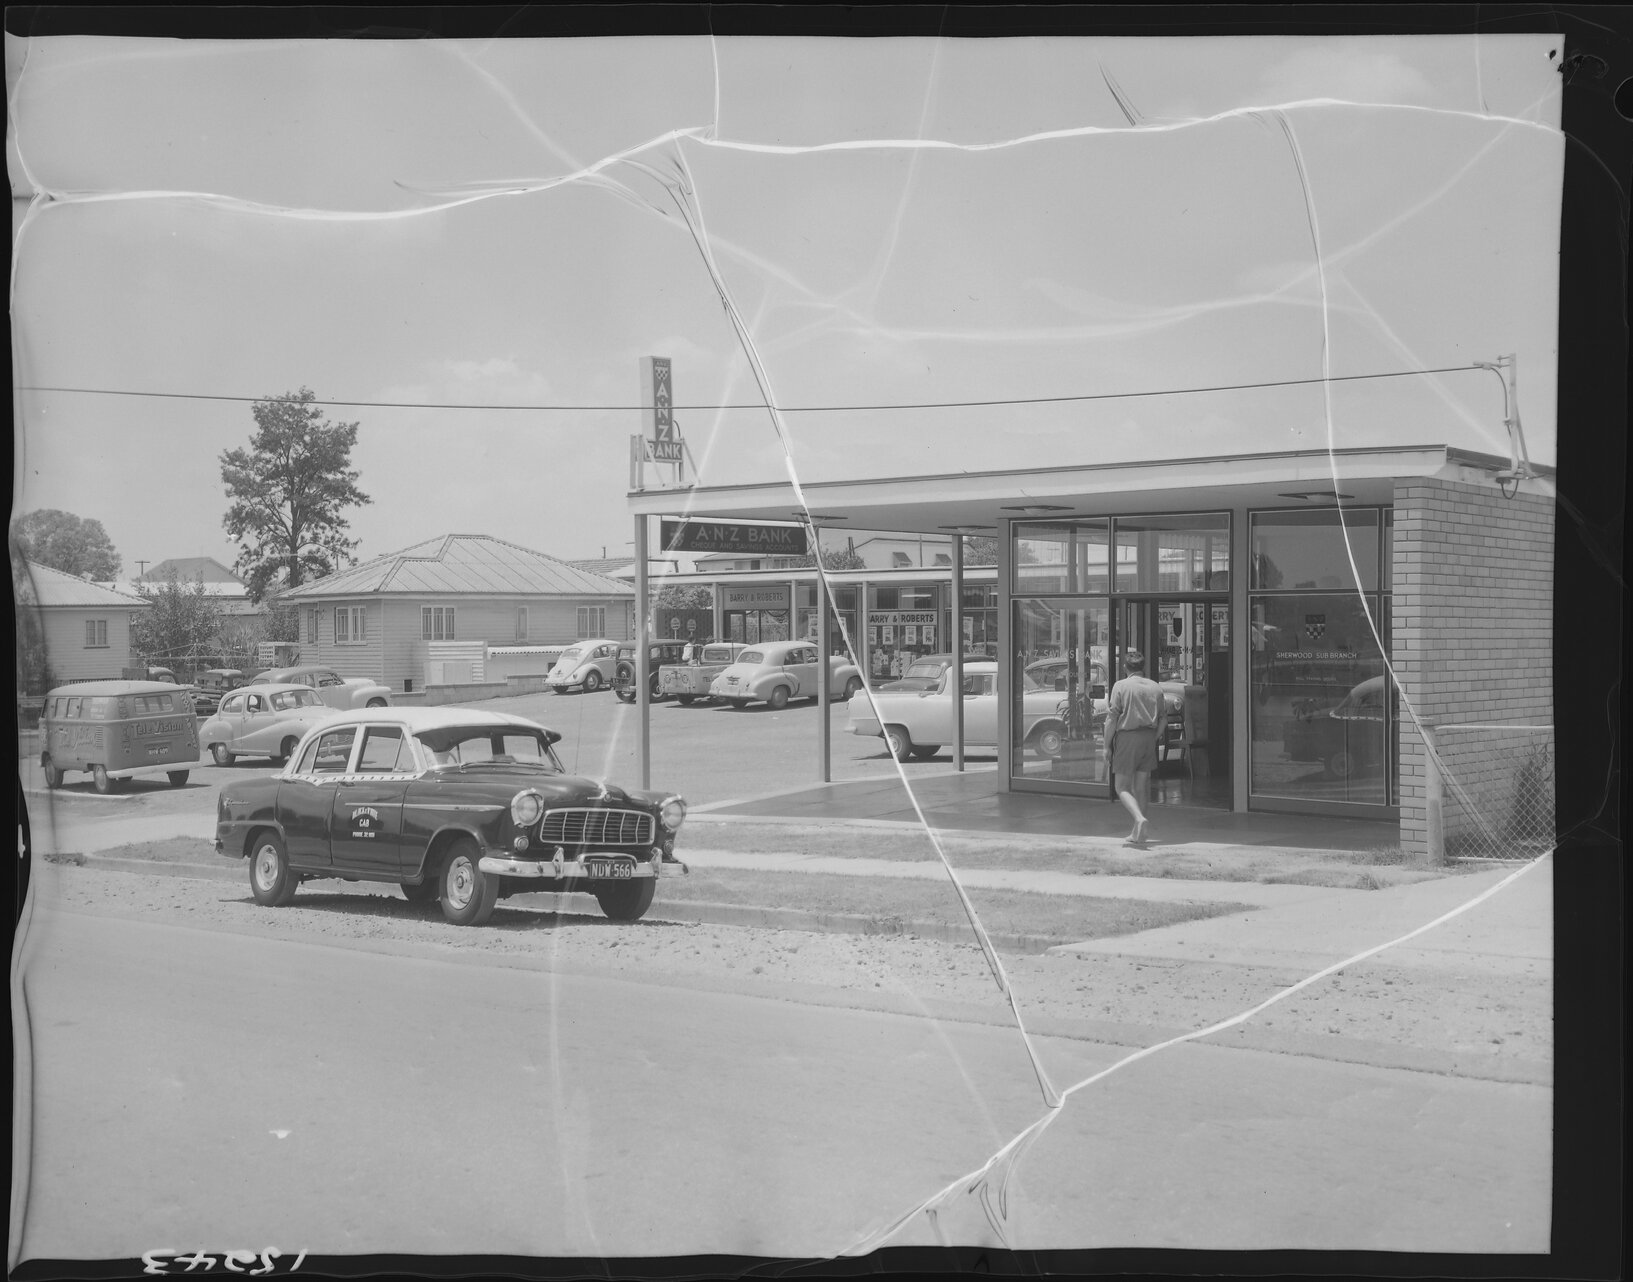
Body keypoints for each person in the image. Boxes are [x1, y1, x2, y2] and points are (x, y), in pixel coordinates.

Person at [1107, 649, 1164, 846]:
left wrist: (1107, 745)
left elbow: (1112, 718)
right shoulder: (1155, 687)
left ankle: (1139, 819)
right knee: (1141, 786)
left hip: (1127, 737)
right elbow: (1163, 718)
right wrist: (1154, 737)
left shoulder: (1121, 686)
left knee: (1121, 786)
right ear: (1143, 667)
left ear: (1125, 668)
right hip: (1149, 737)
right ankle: (1138, 833)